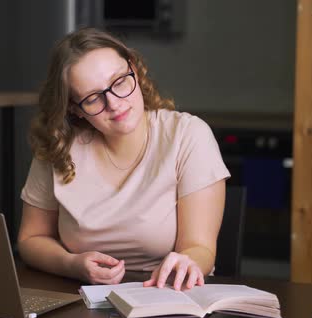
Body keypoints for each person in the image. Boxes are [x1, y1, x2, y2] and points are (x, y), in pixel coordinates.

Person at [18, 28, 230, 291]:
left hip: (167, 295)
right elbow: (31, 238)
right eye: (93, 98)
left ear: (135, 71)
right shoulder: (59, 145)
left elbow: (200, 249)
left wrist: (189, 262)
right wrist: (71, 264)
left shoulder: (188, 136)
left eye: (119, 82)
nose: (115, 104)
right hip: (80, 296)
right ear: (75, 108)